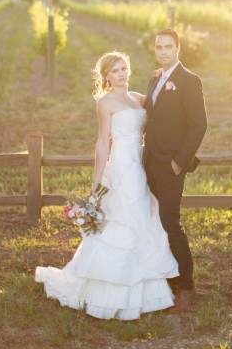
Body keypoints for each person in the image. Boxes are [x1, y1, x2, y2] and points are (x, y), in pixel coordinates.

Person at [35, 51, 178, 320]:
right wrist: (96, 182)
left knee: (145, 219)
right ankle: (110, 292)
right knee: (124, 221)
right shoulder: (105, 103)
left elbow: (161, 108)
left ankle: (146, 287)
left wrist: (161, 80)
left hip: (142, 163)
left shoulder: (138, 98)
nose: (122, 74)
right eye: (115, 71)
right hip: (123, 168)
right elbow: (102, 142)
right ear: (107, 77)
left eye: (124, 68)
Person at [144, 28, 208, 313]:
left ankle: (186, 287)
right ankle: (165, 278)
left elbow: (199, 125)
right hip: (149, 163)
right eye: (159, 47)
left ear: (178, 48)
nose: (163, 52)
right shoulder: (155, 79)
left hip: (171, 165)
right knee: (153, 223)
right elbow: (153, 117)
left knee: (170, 222)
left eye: (168, 47)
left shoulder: (189, 81)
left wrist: (179, 162)